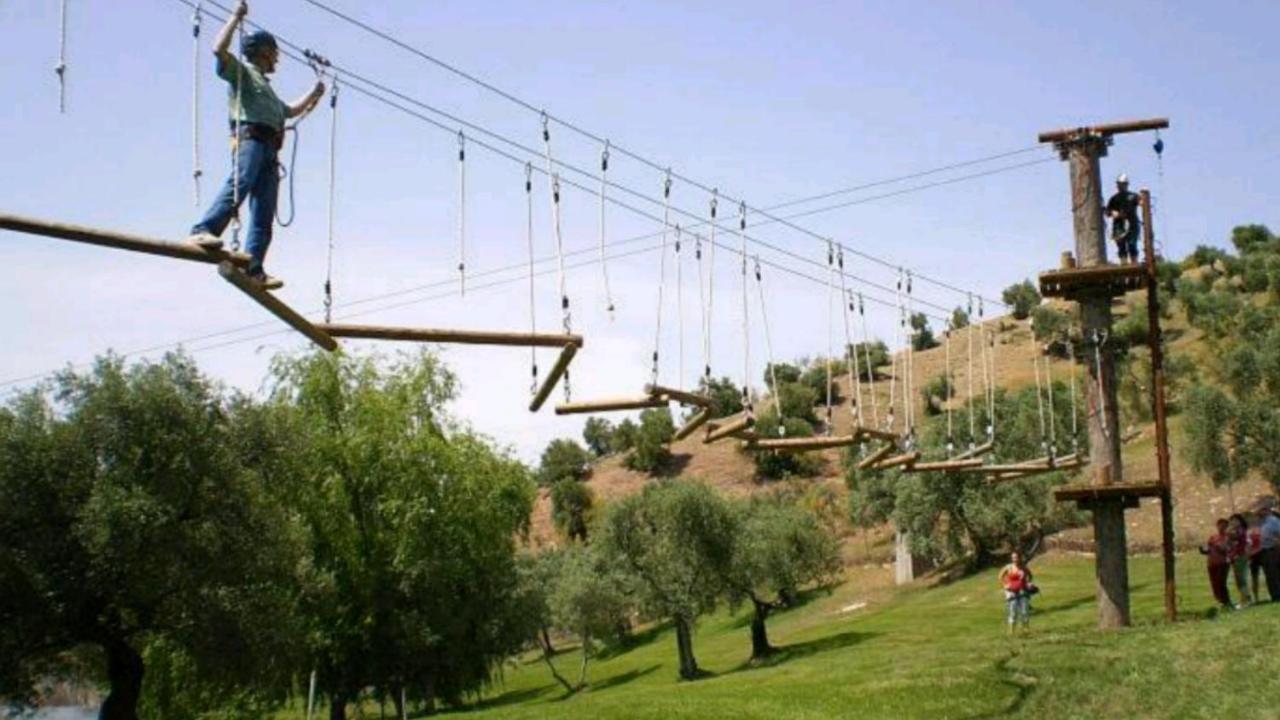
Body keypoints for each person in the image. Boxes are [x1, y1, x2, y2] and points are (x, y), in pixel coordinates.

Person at [188, 0, 326, 290]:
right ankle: (204, 229)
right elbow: (218, 49)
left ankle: (254, 267)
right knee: (242, 181)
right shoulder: (243, 73)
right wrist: (236, 16)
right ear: (264, 52)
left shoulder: (267, 88)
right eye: (273, 53)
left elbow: (290, 111)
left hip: (270, 150)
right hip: (251, 139)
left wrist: (315, 94)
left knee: (264, 211)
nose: (276, 58)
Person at [1105, 174, 1141, 265]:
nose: (1120, 186)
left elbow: (1141, 202)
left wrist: (1143, 199)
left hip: (1132, 224)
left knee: (1132, 246)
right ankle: (1125, 268)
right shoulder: (1114, 199)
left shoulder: (1133, 196)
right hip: (1119, 226)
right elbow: (1108, 212)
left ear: (1126, 184)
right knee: (1121, 247)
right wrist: (1113, 213)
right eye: (1119, 184)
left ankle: (1134, 267)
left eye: (1123, 184)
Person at [1200, 518, 1233, 610]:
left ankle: (1227, 601)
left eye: (1224, 526)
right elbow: (1209, 550)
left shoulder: (1228, 537)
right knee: (1214, 583)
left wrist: (1218, 545)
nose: (1221, 527)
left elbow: (1227, 549)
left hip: (1223, 563)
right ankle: (1221, 601)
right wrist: (1203, 550)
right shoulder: (1213, 537)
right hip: (1212, 563)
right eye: (1220, 525)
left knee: (1221, 582)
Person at [998, 551, 1033, 634]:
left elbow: (1030, 576)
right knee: (1013, 612)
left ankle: (1026, 629)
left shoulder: (1024, 567)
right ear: (1011, 558)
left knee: (1025, 611)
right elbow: (1000, 577)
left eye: (1017, 557)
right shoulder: (1008, 567)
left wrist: (1028, 583)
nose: (1015, 559)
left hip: (1023, 591)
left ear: (1020, 558)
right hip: (1011, 592)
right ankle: (1011, 632)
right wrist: (1005, 585)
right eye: (1013, 557)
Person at [1227, 513, 1252, 607]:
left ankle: (1246, 599)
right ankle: (1243, 599)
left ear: (1240, 521)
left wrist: (1229, 532)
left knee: (1241, 579)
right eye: (1232, 520)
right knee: (1238, 579)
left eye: (1235, 520)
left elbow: (1236, 538)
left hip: (1241, 556)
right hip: (1235, 556)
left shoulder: (1240, 530)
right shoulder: (1235, 531)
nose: (1233, 522)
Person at [1258, 504, 1280, 602]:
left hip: (1273, 550)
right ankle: (1274, 595)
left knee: (1274, 573)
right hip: (1265, 551)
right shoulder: (1264, 523)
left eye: (1262, 510)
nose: (1259, 512)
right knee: (1270, 574)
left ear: (1267, 510)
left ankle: (1277, 594)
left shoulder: (1273, 521)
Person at [1248, 514, 1263, 602]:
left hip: (1261, 554)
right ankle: (1256, 597)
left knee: (1269, 575)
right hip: (1253, 556)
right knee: (1254, 577)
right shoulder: (1248, 531)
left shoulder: (1261, 529)